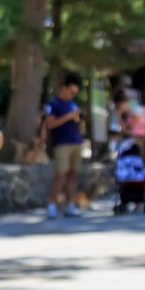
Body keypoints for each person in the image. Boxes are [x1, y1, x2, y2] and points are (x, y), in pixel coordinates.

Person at [40, 75, 87, 217]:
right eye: (71, 92)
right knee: (60, 174)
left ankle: (70, 204)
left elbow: (76, 120)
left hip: (76, 141)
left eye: (75, 93)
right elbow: (49, 124)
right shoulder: (54, 104)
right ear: (64, 88)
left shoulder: (72, 104)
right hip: (62, 143)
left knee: (73, 174)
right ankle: (52, 205)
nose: (72, 95)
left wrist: (78, 117)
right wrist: (68, 117)